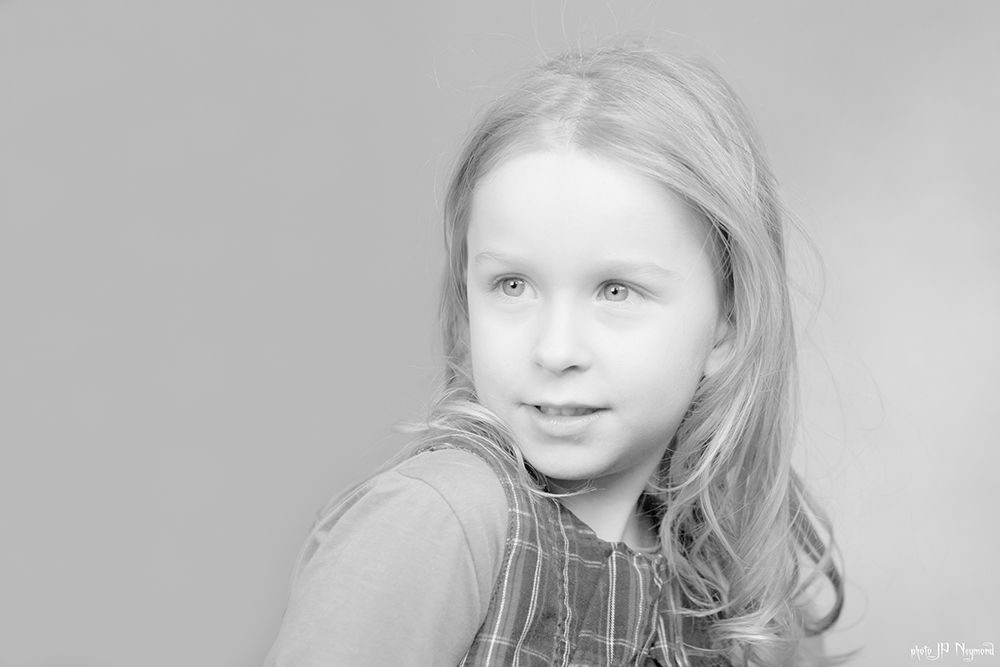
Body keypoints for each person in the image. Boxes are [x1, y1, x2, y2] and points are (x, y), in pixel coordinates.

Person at [265, 41, 843, 667]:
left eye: (616, 291)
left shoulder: (744, 588)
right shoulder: (439, 522)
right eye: (513, 285)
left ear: (729, 325)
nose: (556, 350)